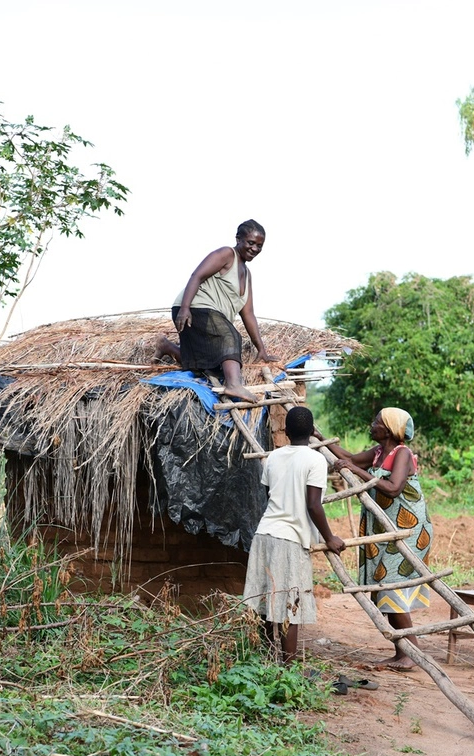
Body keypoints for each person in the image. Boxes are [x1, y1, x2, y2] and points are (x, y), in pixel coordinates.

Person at [328, 408, 433, 671]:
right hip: (385, 529)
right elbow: (349, 457)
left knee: (391, 586)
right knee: (385, 587)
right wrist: (322, 438)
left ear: (388, 429)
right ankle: (404, 652)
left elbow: (393, 487)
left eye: (376, 421)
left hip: (407, 529)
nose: (372, 424)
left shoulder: (402, 453)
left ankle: (411, 653)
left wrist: (357, 470)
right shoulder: (377, 453)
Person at [243, 406, 346, 663]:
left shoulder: (274, 457)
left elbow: (270, 497)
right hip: (290, 540)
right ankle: (288, 668)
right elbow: (313, 504)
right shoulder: (315, 460)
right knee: (292, 604)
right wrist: (330, 538)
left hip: (264, 534)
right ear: (312, 432)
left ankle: (267, 661)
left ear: (285, 431)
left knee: (266, 600)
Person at [154, 219, 279, 403]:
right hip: (195, 307)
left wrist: (261, 349)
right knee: (231, 336)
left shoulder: (248, 274)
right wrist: (185, 307)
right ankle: (234, 385)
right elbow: (197, 275)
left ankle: (167, 346)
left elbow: (248, 313)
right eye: (250, 243)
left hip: (212, 317)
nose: (254, 249)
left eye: (259, 246)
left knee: (211, 366)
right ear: (238, 239)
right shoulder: (227, 254)